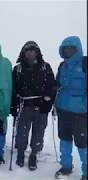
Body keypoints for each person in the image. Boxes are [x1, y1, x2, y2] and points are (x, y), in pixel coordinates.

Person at [11, 41, 56, 170]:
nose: (30, 52)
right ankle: (20, 152)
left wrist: (48, 102)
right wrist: (13, 105)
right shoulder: (18, 68)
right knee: (22, 131)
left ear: (37, 52)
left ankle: (34, 154)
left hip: (41, 106)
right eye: (28, 50)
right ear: (23, 53)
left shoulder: (45, 67)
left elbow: (52, 86)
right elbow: (13, 89)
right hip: (24, 106)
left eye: (33, 50)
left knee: (39, 132)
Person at [54, 36, 87, 180]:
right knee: (64, 139)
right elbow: (57, 85)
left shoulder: (85, 63)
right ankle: (66, 167)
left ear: (77, 49)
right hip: (63, 109)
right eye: (65, 49)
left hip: (80, 112)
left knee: (83, 143)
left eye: (71, 48)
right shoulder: (62, 66)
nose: (68, 51)